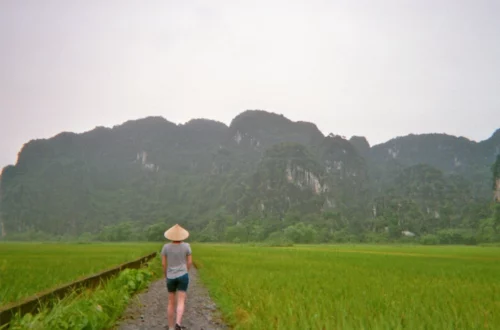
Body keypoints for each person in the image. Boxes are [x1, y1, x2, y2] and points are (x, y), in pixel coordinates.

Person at [161, 224, 193, 330]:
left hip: (170, 276)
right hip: (183, 275)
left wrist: (166, 275)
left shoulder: (166, 247)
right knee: (181, 300)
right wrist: (185, 271)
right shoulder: (186, 246)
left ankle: (170, 327)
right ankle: (178, 323)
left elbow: (163, 264)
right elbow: (190, 262)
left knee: (171, 302)